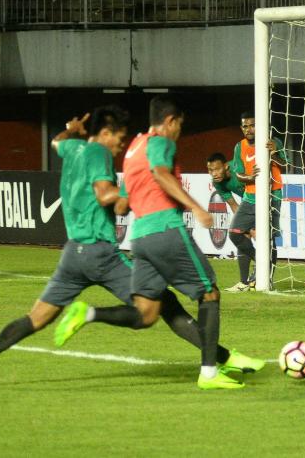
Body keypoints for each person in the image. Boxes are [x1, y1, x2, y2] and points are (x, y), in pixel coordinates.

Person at [0, 106, 259, 390]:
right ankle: (222, 359)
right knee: (161, 305)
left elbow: (56, 141)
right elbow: (105, 193)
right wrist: (132, 197)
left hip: (72, 254)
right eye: (118, 139)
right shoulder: (98, 154)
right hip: (100, 253)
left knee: (35, 318)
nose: (120, 146)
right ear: (105, 133)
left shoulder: (73, 148)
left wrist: (72, 129)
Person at [53, 97, 263, 390]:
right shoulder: (160, 142)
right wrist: (195, 207)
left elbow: (121, 207)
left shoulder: (132, 149)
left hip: (139, 238)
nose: (179, 132)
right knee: (209, 294)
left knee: (147, 312)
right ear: (170, 121)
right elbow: (161, 173)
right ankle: (210, 373)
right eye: (179, 125)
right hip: (166, 229)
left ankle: (89, 313)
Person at [226, 111, 287, 292]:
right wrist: (249, 177)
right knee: (236, 232)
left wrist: (273, 153)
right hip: (250, 197)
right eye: (245, 126)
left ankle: (266, 279)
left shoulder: (272, 141)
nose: (249, 129)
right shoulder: (240, 147)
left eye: (252, 125)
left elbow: (285, 164)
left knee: (269, 238)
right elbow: (238, 173)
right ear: (241, 128)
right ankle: (254, 271)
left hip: (272, 195)